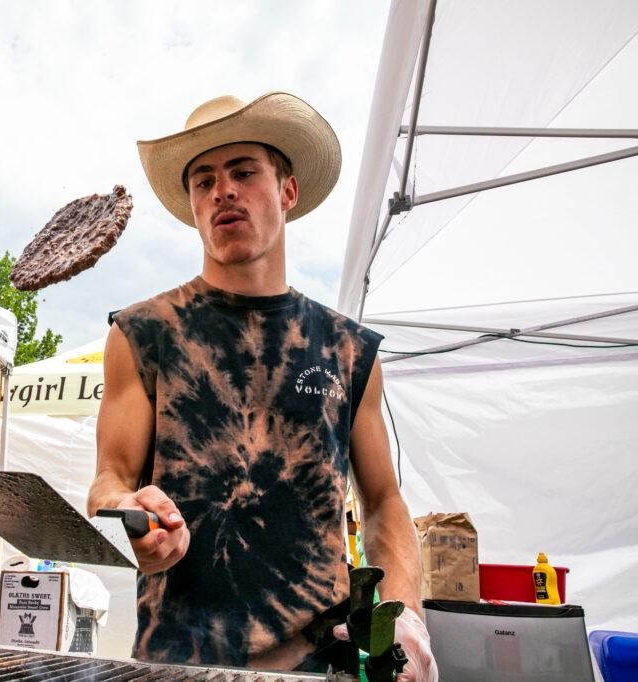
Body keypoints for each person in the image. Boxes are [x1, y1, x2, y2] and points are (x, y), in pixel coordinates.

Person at [87, 93, 436, 680]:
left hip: (322, 663)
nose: (222, 190)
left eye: (244, 172)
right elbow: (108, 482)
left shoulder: (348, 348)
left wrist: (406, 615)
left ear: (287, 191)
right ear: (194, 207)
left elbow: (383, 502)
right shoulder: (142, 334)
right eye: (203, 181)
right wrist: (130, 512)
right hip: (177, 662)